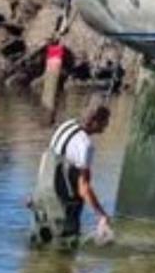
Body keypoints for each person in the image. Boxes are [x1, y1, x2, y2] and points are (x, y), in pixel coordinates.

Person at [29, 104, 113, 248]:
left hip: (41, 197)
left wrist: (34, 193)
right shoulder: (85, 145)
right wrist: (101, 215)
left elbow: (46, 157)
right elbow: (83, 188)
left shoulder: (66, 125)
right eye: (106, 120)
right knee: (65, 249)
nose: (108, 124)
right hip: (61, 205)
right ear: (95, 121)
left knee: (37, 245)